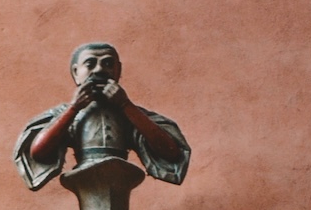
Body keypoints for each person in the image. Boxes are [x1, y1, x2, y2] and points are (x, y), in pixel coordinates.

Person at [14, 42, 189, 191]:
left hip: (120, 181)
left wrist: (126, 105)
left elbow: (170, 152)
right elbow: (38, 152)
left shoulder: (131, 115)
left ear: (118, 70)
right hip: (85, 182)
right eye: (90, 64)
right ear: (76, 73)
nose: (99, 69)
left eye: (107, 64)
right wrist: (73, 108)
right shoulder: (65, 115)